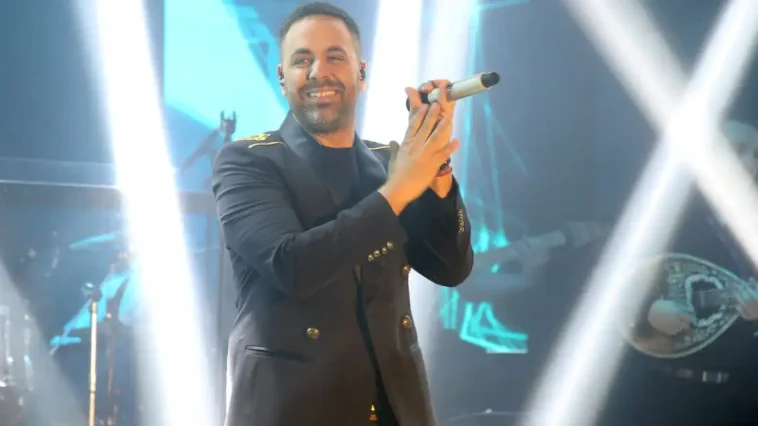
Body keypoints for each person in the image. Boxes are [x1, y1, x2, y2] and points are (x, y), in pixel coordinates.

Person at [211, 3, 474, 426]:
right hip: (293, 409)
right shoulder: (247, 161)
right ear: (282, 77)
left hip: (396, 408)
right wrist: (402, 186)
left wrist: (436, 171)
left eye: (335, 57)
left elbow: (451, 268)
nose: (319, 72)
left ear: (361, 73)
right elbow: (292, 265)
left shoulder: (389, 164)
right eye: (302, 60)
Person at [591, 119, 758, 425]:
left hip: (744, 399)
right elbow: (603, 289)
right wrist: (649, 313)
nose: (751, 162)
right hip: (668, 398)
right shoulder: (658, 216)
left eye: (757, 154)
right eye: (739, 150)